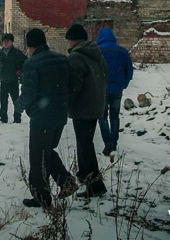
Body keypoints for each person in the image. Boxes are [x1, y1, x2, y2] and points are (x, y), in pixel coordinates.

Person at [14, 28, 78, 209]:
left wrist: (18, 107)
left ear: (30, 45)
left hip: (42, 118)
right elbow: (72, 85)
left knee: (37, 158)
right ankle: (67, 183)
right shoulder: (62, 59)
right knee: (47, 152)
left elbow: (28, 93)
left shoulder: (32, 63)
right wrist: (62, 103)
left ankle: (41, 197)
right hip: (59, 116)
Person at [65, 23, 108, 198]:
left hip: (82, 108)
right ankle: (90, 181)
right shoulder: (97, 55)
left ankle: (94, 184)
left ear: (73, 40)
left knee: (84, 146)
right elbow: (104, 76)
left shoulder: (76, 57)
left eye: (68, 40)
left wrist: (65, 102)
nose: (68, 43)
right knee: (86, 144)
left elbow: (74, 85)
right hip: (96, 105)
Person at [96, 27, 134, 156]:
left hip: (102, 90)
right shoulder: (122, 51)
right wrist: (124, 84)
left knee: (102, 117)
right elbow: (129, 70)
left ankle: (108, 142)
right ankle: (114, 141)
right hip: (117, 89)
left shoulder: (98, 51)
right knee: (115, 116)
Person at [0, 32, 28, 123]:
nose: (5, 43)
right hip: (3, 80)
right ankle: (3, 119)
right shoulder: (0, 53)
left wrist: (20, 71)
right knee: (3, 101)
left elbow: (25, 62)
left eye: (7, 41)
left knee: (15, 100)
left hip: (13, 80)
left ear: (11, 42)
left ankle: (17, 118)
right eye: (4, 41)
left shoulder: (17, 53)